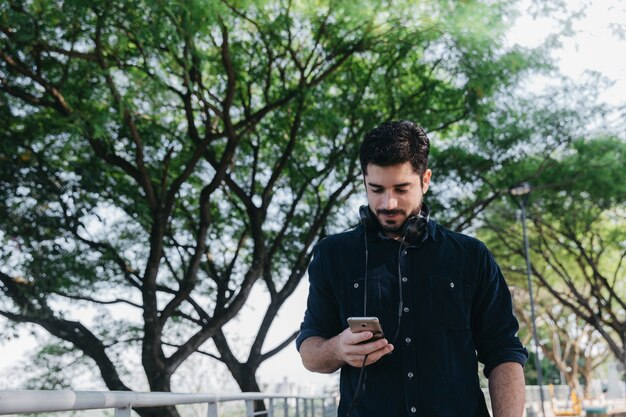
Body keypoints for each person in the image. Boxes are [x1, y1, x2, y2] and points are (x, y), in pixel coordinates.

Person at [296, 120, 528, 417]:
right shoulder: (333, 255)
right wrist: (339, 348)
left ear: (425, 180)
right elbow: (310, 350)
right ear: (364, 181)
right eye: (376, 189)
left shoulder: (472, 256)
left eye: (401, 188)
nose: (388, 202)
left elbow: (504, 352)